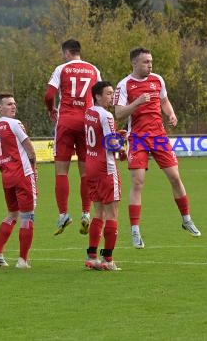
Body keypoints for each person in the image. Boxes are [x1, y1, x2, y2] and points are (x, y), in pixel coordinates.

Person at [114, 47, 201, 249]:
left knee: (175, 177)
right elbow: (119, 113)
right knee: (138, 183)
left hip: (159, 136)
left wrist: (170, 114)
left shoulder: (157, 80)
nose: (150, 65)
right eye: (145, 62)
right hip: (138, 138)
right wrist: (136, 102)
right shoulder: (124, 85)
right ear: (134, 63)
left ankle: (186, 219)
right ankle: (135, 230)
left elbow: (164, 101)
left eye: (151, 61)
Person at [44, 39, 102, 236]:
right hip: (87, 123)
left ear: (67, 52)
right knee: (85, 171)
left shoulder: (62, 69)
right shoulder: (94, 69)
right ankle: (86, 213)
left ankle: (63, 214)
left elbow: (49, 95)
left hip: (67, 122)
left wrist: (51, 110)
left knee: (62, 171)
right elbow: (99, 96)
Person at [0, 93, 37, 269]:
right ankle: (23, 260)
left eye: (14, 104)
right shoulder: (14, 123)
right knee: (27, 216)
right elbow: (29, 147)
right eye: (9, 104)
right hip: (22, 174)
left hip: (7, 176)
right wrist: (34, 168)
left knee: (12, 214)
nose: (13, 106)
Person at [84, 81, 124, 271]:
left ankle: (92, 256)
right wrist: (122, 145)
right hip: (106, 168)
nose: (111, 96)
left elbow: (102, 137)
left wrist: (115, 134)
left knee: (98, 212)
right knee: (112, 213)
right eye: (108, 93)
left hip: (90, 166)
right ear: (98, 96)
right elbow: (111, 144)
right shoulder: (106, 115)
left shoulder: (89, 112)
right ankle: (108, 259)